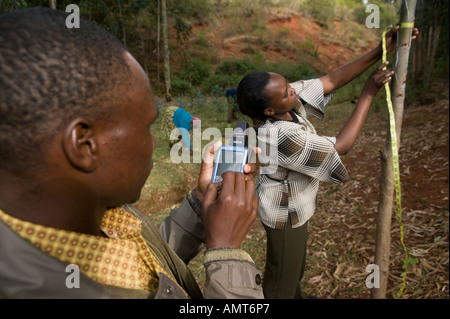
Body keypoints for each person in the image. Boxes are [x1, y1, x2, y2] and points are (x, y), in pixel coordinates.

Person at [0, 7, 263, 299]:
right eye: (146, 127)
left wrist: (200, 204)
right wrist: (226, 253)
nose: (153, 144)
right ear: (84, 145)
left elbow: (146, 267)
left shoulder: (100, 210)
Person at [236, 26, 419, 299]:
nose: (293, 91)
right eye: (286, 93)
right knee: (281, 277)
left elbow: (331, 80)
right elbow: (342, 145)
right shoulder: (277, 136)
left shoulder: (285, 103)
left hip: (296, 205)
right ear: (269, 110)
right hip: (284, 213)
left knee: (294, 268)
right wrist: (368, 92)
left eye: (288, 86)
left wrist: (381, 49)